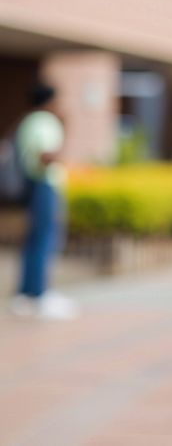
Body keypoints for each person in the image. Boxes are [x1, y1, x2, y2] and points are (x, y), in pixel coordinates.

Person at [9, 83, 77, 320]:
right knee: (45, 240)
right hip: (45, 185)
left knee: (35, 240)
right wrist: (65, 129)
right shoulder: (44, 121)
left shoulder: (27, 120)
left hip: (33, 185)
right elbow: (46, 155)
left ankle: (27, 293)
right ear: (49, 101)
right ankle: (38, 294)